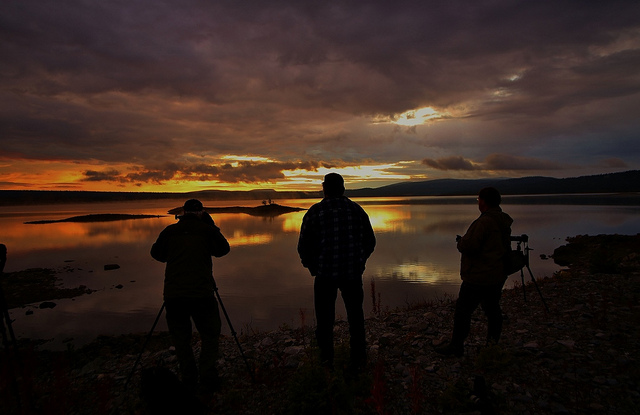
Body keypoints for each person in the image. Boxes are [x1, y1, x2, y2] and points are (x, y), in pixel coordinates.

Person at [297, 173, 376, 371]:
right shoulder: (356, 210)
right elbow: (370, 242)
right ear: (342, 189)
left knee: (324, 322)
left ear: (324, 188)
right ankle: (358, 361)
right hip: (352, 274)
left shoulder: (315, 212)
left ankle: (326, 364)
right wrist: (360, 262)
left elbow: (303, 247)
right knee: (356, 318)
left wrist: (313, 267)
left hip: (324, 275)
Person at [151, 199, 230, 390]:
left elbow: (157, 254)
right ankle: (207, 375)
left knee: (180, 337)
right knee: (210, 333)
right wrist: (212, 226)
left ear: (183, 212)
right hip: (201, 293)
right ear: (201, 212)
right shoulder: (207, 231)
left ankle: (188, 376)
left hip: (174, 294)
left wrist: (175, 255)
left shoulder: (170, 231)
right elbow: (223, 249)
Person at [436, 187, 513, 357]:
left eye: (478, 200)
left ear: (484, 201)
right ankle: (492, 346)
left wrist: (461, 243)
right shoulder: (502, 219)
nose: (478, 202)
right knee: (493, 310)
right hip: (497, 274)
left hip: (479, 276)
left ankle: (456, 346)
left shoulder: (484, 222)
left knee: (463, 310)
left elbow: (470, 246)